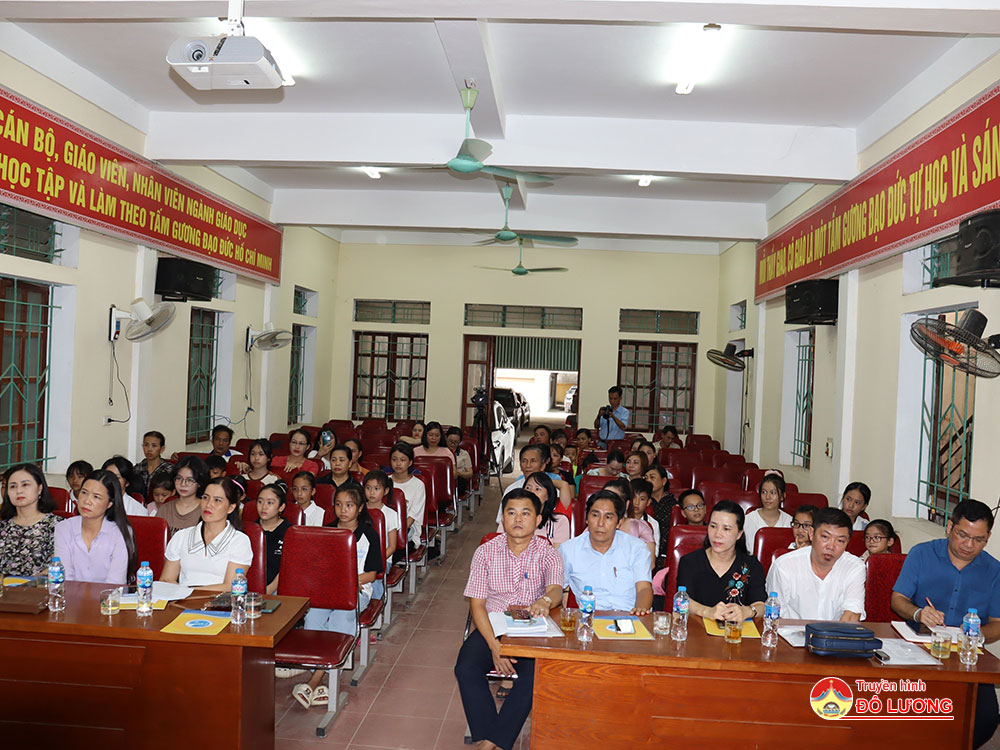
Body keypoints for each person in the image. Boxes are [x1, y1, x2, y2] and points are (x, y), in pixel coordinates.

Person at [455, 488, 564, 750]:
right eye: (511, 512)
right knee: (466, 668)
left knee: (534, 678)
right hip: (493, 625)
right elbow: (477, 605)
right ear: (502, 518)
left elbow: (556, 590)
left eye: (525, 513)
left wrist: (545, 601)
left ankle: (490, 743)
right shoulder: (485, 552)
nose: (518, 519)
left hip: (531, 629)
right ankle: (492, 734)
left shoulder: (548, 553)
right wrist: (495, 646)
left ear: (538, 519)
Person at [890, 500, 1000, 748]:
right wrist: (918, 613)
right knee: (905, 709)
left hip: (967, 655)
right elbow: (898, 600)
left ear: (988, 538)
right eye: (962, 535)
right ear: (949, 527)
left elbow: (997, 624)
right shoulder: (922, 554)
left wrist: (975, 635)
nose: (969, 545)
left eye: (978, 539)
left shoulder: (994, 570)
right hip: (919, 648)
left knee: (984, 719)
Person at [293, 486, 383, 709]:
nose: (343, 510)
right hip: (327, 590)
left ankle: (316, 680)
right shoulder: (327, 531)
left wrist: (347, 581)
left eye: (349, 505)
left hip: (357, 590)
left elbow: (372, 574)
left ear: (360, 508)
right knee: (313, 617)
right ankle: (320, 669)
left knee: (341, 619)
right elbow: (318, 567)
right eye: (339, 504)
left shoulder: (369, 535)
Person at [560, 489, 653, 613]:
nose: (600, 523)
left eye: (608, 517)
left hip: (628, 616)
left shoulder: (636, 548)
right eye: (595, 515)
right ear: (586, 519)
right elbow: (556, 588)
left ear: (619, 523)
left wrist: (639, 612)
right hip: (589, 617)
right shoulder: (568, 550)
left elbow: (644, 588)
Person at [765, 508, 865, 621]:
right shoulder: (784, 566)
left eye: (840, 541)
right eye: (825, 537)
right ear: (811, 534)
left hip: (836, 631)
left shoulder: (854, 567)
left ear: (847, 542)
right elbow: (774, 616)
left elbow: (852, 614)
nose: (831, 546)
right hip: (791, 632)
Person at [676, 501, 767, 622]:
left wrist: (747, 611)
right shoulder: (690, 562)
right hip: (697, 630)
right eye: (713, 526)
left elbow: (761, 605)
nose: (717, 534)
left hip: (736, 632)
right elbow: (682, 600)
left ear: (739, 534)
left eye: (726, 529)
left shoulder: (751, 565)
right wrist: (707, 611)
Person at [160, 476, 252, 589]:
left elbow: (230, 587)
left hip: (218, 600)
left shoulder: (239, 541)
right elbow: (166, 580)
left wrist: (186, 591)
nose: (208, 504)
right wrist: (184, 593)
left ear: (231, 508)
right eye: (205, 498)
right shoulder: (182, 536)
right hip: (181, 598)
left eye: (217, 500)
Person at [54, 469, 138, 585]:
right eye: (84, 492)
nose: (87, 501)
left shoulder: (120, 532)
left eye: (96, 497)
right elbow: (63, 579)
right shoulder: (63, 528)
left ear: (110, 503)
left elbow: (115, 584)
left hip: (108, 596)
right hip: (70, 595)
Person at [0, 463, 61, 577]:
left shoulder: (57, 526)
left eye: (25, 485)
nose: (19, 491)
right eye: (13, 486)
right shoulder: (3, 527)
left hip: (40, 586)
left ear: (39, 489)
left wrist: (28, 583)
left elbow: (59, 566)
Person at [495, 444, 573, 523]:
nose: (528, 465)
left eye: (533, 461)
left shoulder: (552, 488)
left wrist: (546, 482)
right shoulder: (512, 489)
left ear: (543, 465)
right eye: (524, 461)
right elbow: (501, 521)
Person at [498, 472, 570, 547]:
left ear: (547, 496)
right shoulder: (510, 518)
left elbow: (558, 552)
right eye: (528, 488)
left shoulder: (560, 521)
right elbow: (499, 546)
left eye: (537, 489)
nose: (531, 492)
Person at [605, 478, 655, 566]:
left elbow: (649, 564)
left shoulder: (640, 528)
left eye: (614, 500)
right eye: (605, 499)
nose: (608, 504)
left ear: (626, 504)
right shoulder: (594, 525)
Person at [156, 455, 210, 534]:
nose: (183, 484)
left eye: (189, 480)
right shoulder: (164, 509)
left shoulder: (206, 510)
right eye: (179, 478)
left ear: (199, 483)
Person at [742, 474, 792, 552]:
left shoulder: (789, 522)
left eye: (773, 493)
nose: (768, 497)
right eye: (764, 492)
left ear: (782, 496)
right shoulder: (747, 520)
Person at [389, 442, 425, 548]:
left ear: (410, 462)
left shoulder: (418, 485)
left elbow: (412, 517)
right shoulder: (384, 482)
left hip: (406, 532)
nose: (398, 463)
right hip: (386, 530)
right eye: (394, 459)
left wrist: (395, 532)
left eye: (402, 460)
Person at [256, 481, 289, 595]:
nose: (263, 507)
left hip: (278, 588)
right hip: (248, 586)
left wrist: (268, 590)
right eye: (260, 501)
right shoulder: (250, 530)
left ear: (281, 507)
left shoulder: (289, 532)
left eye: (270, 502)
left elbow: (287, 568)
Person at [644, 465, 676, 570]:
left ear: (664, 481)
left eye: (652, 477)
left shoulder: (674, 504)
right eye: (646, 478)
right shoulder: (643, 503)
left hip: (669, 550)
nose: (648, 481)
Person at [364, 470, 400, 561]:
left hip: (383, 560)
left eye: (376, 489)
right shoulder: (358, 510)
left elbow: (392, 547)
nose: (372, 492)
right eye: (368, 488)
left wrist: (378, 561)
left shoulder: (391, 514)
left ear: (386, 491)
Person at [135, 430, 173, 496]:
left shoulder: (169, 470)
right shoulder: (137, 469)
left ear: (162, 449)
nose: (149, 449)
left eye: (154, 446)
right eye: (146, 445)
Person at [629, 477, 659, 558]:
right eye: (633, 497)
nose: (636, 503)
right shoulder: (618, 519)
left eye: (642, 499)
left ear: (648, 502)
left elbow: (655, 553)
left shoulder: (653, 524)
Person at [445, 427, 474, 496]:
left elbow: (470, 473)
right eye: (450, 441)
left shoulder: (464, 453)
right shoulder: (442, 451)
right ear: (446, 438)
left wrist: (459, 473)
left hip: (458, 480)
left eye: (456, 442)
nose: (452, 444)